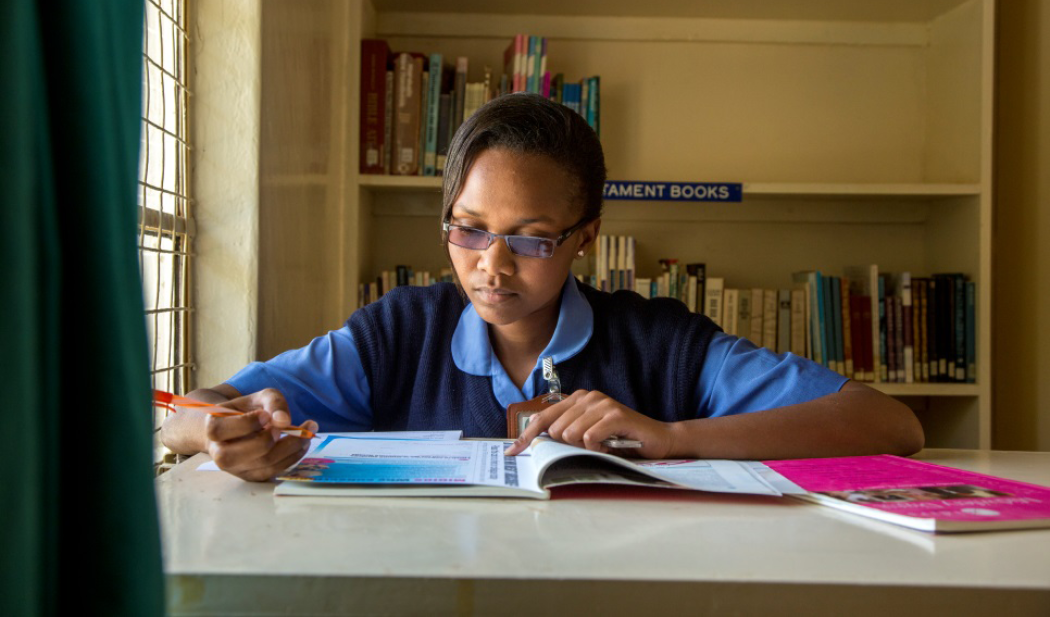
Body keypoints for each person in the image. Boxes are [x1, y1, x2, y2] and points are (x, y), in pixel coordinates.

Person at [161, 93, 924, 481]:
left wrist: (673, 438)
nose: (492, 266)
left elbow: (889, 426)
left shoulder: (662, 344)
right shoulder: (398, 333)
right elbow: (180, 418)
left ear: (586, 235)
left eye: (530, 238)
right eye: (467, 228)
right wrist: (221, 435)